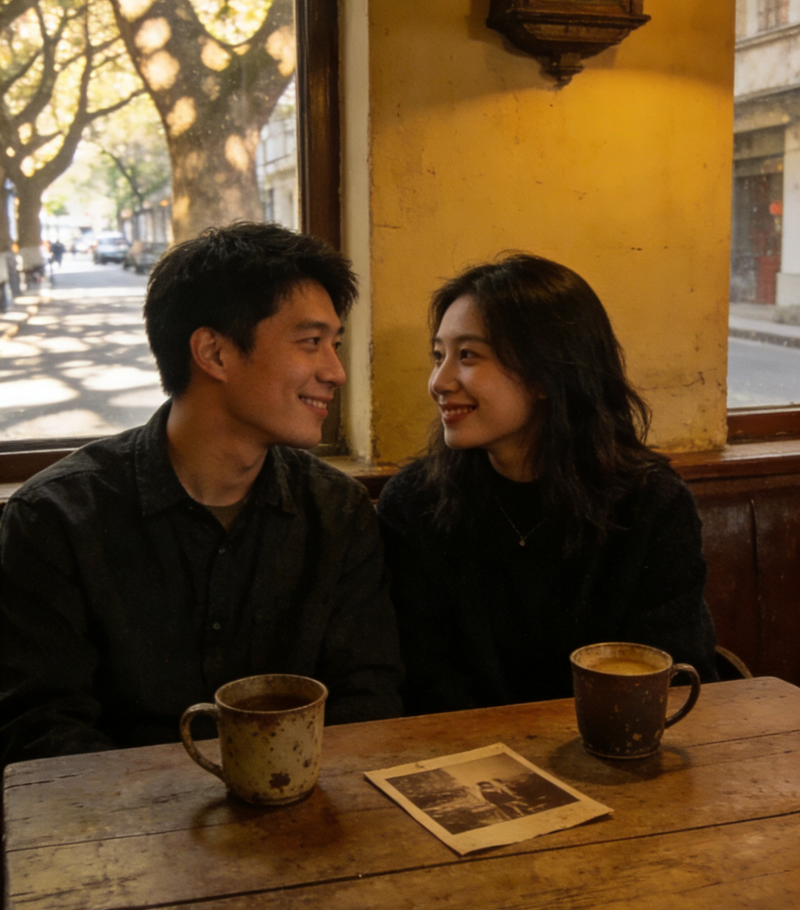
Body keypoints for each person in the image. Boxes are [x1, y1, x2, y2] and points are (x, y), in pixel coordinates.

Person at [0, 222, 402, 769]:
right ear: (213, 353)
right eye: (312, 342)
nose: (335, 371)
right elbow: (41, 729)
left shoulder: (337, 511)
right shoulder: (56, 517)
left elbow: (367, 701)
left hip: (304, 807)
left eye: (334, 344)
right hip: (120, 816)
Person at [378, 253, 718, 716]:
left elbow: (672, 672)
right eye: (439, 356)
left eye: (468, 355)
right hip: (463, 750)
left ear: (545, 374)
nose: (439, 381)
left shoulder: (651, 503)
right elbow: (422, 677)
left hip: (611, 746)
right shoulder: (415, 502)